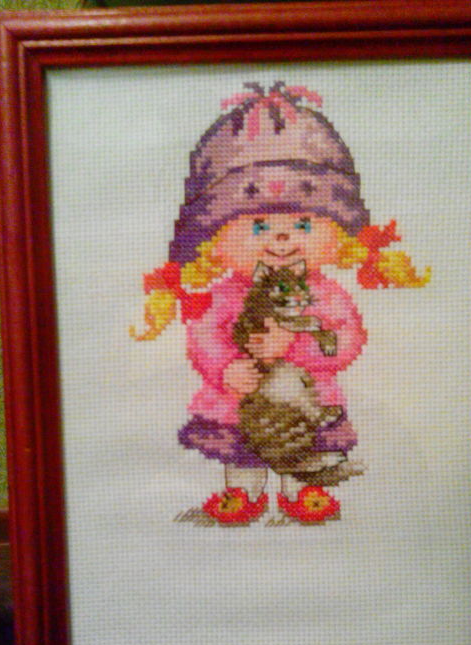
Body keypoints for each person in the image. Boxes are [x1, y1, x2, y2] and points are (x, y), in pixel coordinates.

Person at [131, 83, 429, 524]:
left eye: (304, 224)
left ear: (337, 234)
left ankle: (302, 495)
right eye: (258, 227)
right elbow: (204, 336)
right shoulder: (222, 295)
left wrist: (297, 347)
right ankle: (243, 496)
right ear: (214, 241)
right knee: (243, 454)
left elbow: (346, 339)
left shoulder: (326, 294)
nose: (283, 238)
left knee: (301, 448)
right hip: (239, 398)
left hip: (306, 400)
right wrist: (228, 368)